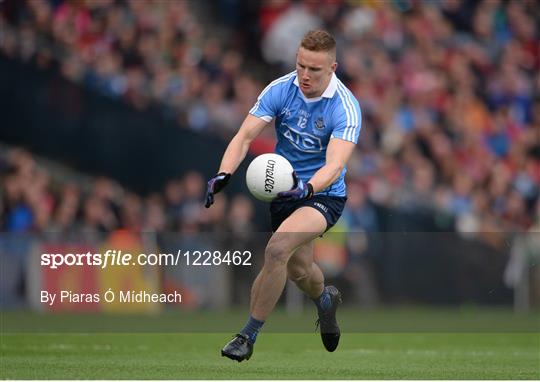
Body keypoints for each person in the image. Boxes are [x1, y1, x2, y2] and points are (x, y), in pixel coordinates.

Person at [205, 30, 361, 362]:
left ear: (332, 67)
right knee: (300, 271)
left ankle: (247, 336)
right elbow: (244, 135)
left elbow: (334, 165)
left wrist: (307, 188)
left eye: (314, 69)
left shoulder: (345, 107)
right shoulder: (280, 89)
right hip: (284, 193)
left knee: (276, 249)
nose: (305, 75)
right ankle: (325, 301)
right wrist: (224, 173)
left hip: (323, 195)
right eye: (301, 65)